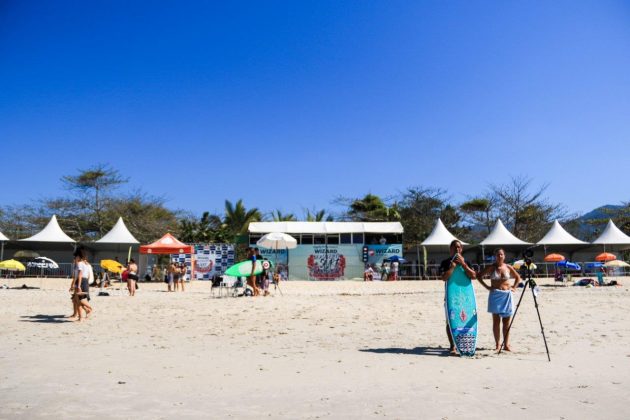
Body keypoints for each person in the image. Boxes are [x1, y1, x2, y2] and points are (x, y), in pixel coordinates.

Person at [477, 248, 522, 352]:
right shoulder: (491, 267)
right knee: (496, 321)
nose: (499, 256)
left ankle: (506, 344)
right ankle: (497, 344)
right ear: (495, 256)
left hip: (507, 295)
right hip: (495, 295)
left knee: (506, 322)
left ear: (504, 256)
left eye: (501, 254)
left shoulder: (508, 267)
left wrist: (514, 287)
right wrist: (487, 287)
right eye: (497, 255)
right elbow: (479, 276)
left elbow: (518, 277)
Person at [440, 239, 477, 355]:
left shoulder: (467, 262)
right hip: (451, 297)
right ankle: (452, 345)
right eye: (455, 247)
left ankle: (464, 343)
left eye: (459, 247)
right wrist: (452, 267)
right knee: (450, 321)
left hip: (466, 297)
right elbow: (444, 278)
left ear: (462, 249)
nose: (457, 249)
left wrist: (464, 264)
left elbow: (474, 276)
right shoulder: (446, 262)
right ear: (450, 249)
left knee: (465, 319)